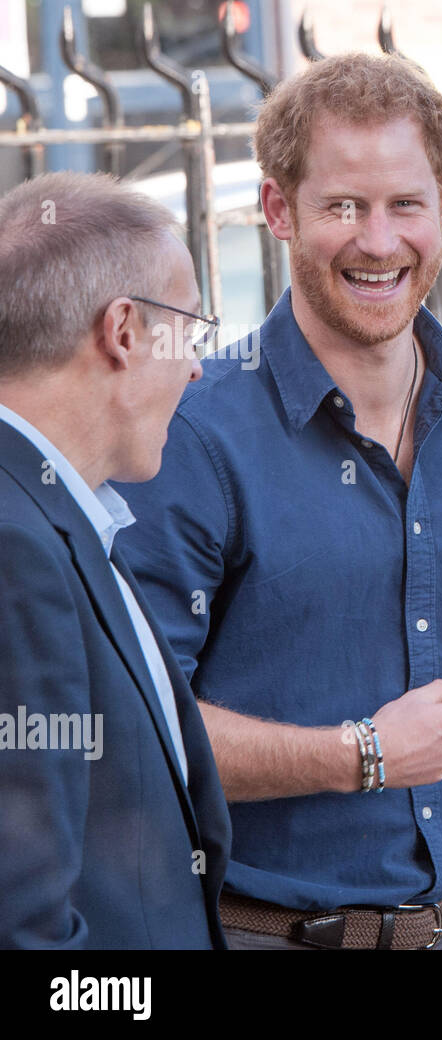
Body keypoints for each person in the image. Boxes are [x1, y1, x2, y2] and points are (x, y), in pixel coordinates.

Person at [115, 54, 442, 950]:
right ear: (280, 210)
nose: (378, 242)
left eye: (404, 204)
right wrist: (363, 755)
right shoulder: (194, 432)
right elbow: (140, 720)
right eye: (343, 207)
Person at [0, 171, 229, 948]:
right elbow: (22, 922)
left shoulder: (52, 511)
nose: (198, 366)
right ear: (123, 330)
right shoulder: (15, 546)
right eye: (191, 332)